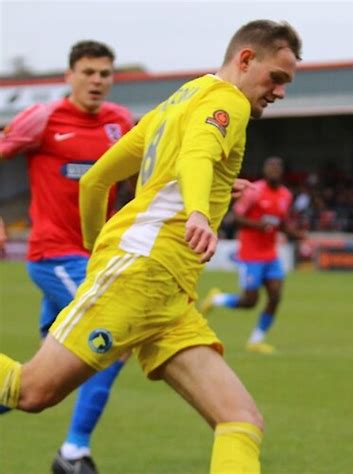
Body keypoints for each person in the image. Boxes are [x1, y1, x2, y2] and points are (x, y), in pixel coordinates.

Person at [0, 20, 302, 473]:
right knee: (32, 392)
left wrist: (94, 247)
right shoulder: (227, 101)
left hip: (168, 294)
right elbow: (198, 153)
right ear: (245, 59)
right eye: (276, 78)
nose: (279, 91)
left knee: (239, 419)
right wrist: (199, 211)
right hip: (144, 271)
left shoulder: (180, 98)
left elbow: (97, 179)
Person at [0, 40, 134, 473]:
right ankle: (73, 453)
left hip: (97, 259)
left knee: (46, 381)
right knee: (112, 344)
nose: (97, 81)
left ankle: (72, 453)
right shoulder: (42, 119)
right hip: (54, 256)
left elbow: (151, 170)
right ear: (69, 75)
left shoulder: (119, 122)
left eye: (105, 74)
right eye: (88, 72)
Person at [201, 156, 305, 354]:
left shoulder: (285, 195)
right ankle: (216, 299)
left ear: (282, 172)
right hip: (250, 253)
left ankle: (256, 340)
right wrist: (259, 225)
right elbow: (235, 217)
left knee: (275, 295)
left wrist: (297, 235)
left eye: (276, 168)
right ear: (265, 171)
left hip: (270, 254)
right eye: (269, 167)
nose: (273, 171)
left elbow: (281, 223)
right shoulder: (254, 191)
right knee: (249, 301)